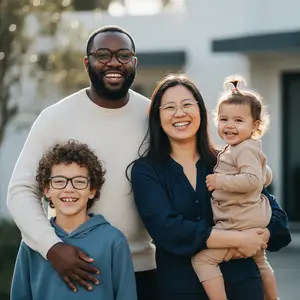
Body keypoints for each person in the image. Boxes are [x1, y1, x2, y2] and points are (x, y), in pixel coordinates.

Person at [7, 25, 156, 300]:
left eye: (123, 55)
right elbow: (21, 192)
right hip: (67, 265)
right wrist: (51, 247)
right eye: (103, 54)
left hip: (144, 271)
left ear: (134, 62)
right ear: (87, 62)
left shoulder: (154, 117)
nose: (113, 62)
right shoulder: (55, 118)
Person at [130, 74, 291, 300]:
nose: (179, 113)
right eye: (169, 107)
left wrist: (262, 234)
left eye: (187, 104)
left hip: (244, 286)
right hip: (179, 290)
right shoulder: (146, 171)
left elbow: (278, 221)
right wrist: (238, 239)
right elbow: (168, 231)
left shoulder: (227, 159)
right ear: (157, 116)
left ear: (201, 111)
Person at [11, 140, 137, 300]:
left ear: (92, 190)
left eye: (79, 181)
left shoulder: (113, 241)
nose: (68, 189)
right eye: (59, 181)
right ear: (47, 190)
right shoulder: (32, 243)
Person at [191, 76, 278, 300]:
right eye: (223, 119)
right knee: (261, 262)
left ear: (255, 126)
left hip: (239, 223)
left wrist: (221, 182)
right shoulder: (238, 149)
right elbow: (264, 177)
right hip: (250, 220)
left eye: (238, 120)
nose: (229, 125)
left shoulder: (243, 149)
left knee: (203, 260)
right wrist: (262, 171)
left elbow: (252, 181)